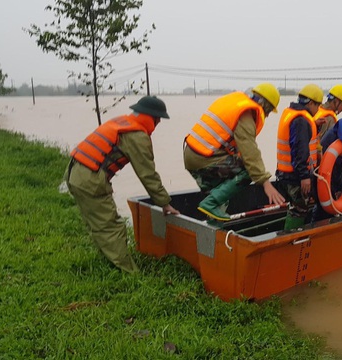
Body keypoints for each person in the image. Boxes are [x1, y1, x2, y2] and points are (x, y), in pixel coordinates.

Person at [66, 96, 180, 273]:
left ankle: (109, 261)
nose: (157, 124)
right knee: (112, 227)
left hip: (74, 172)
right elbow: (147, 174)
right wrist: (165, 203)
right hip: (89, 179)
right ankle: (128, 272)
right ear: (151, 117)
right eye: (158, 119)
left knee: (98, 223)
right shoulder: (136, 135)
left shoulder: (121, 122)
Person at [184, 83, 285, 221]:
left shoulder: (235, 102)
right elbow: (250, 154)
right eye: (268, 111)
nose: (266, 116)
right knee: (249, 171)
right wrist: (265, 183)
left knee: (221, 199)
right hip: (205, 158)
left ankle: (213, 228)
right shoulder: (246, 114)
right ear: (265, 105)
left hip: (192, 154)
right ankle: (210, 203)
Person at [275, 84, 324, 230]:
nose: (318, 110)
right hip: (295, 176)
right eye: (318, 105)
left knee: (295, 207)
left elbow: (295, 139)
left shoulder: (292, 113)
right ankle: (289, 240)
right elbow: (300, 150)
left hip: (285, 173)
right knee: (299, 209)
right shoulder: (302, 121)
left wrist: (314, 125)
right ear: (310, 103)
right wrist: (304, 176)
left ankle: (291, 236)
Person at [313, 84, 342, 152]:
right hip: (316, 157)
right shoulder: (330, 118)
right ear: (336, 101)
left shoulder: (317, 109)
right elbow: (327, 144)